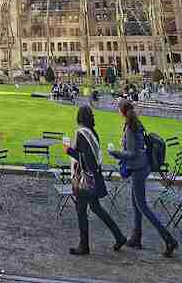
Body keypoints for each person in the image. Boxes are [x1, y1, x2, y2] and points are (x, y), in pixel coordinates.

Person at [109, 99, 178, 257]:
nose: (117, 111)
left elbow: (132, 153)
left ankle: (169, 239)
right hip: (142, 166)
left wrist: (114, 153)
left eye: (118, 108)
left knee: (142, 206)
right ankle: (136, 237)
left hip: (138, 169)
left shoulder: (131, 128)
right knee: (136, 204)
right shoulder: (135, 123)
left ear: (123, 111)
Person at [65, 105, 127, 255]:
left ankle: (84, 245)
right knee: (96, 208)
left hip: (86, 180)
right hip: (95, 177)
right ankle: (119, 236)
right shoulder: (93, 132)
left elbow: (87, 160)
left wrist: (68, 150)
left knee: (81, 211)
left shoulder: (82, 133)